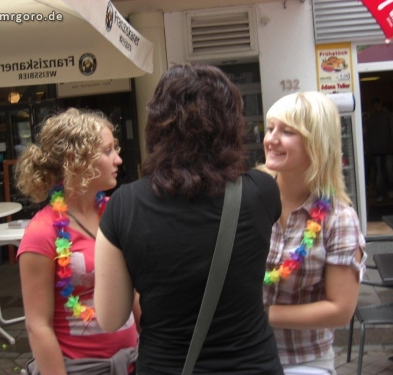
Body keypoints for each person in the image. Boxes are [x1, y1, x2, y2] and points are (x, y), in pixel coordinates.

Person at [94, 64, 284, 374]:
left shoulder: (123, 206)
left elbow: (110, 318)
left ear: (155, 125)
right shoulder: (262, 192)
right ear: (232, 124)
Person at [15, 108, 138, 375]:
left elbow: (135, 294)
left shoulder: (118, 213)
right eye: (107, 151)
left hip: (134, 363)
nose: (118, 159)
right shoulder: (41, 233)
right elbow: (38, 326)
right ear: (76, 160)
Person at [262, 92, 366, 375]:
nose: (272, 138)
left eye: (287, 131)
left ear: (316, 143)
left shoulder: (339, 218)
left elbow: (340, 309)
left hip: (302, 360)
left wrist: (260, 315)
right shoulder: (248, 198)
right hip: (240, 351)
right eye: (271, 128)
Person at [365, 97, 393, 202]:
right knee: (380, 173)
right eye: (374, 105)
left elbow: (392, 132)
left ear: (380, 104)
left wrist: (391, 146)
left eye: (377, 105)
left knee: (387, 171)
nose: (376, 107)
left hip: (385, 148)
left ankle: (388, 190)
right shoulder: (373, 117)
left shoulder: (385, 115)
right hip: (377, 149)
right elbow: (368, 134)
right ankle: (382, 193)